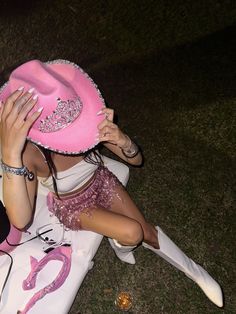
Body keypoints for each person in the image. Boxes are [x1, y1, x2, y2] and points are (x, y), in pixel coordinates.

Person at [0, 59, 223, 307]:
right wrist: (10, 154)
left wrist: (124, 140)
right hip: (73, 206)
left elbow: (136, 160)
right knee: (133, 232)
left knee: (146, 232)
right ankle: (122, 244)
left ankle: (196, 272)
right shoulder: (29, 153)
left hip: (101, 179)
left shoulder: (79, 111)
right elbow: (20, 220)